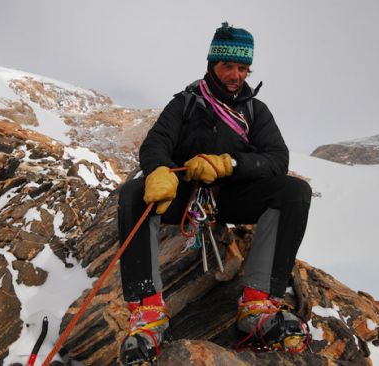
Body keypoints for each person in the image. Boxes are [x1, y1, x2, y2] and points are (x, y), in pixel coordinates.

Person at [117, 22, 312, 363]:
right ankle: (147, 311)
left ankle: (258, 303)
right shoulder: (186, 103)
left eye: (242, 68)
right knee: (134, 195)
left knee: (294, 192)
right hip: (188, 199)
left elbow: (277, 160)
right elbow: (156, 142)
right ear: (211, 65)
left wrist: (228, 165)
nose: (236, 75)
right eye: (228, 66)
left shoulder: (255, 110)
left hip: (235, 199)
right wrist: (159, 171)